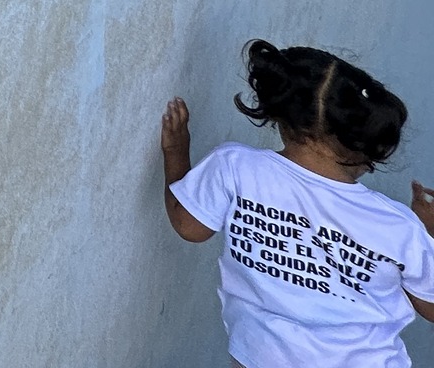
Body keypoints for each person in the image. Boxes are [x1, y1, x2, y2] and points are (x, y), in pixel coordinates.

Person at [163, 41, 434, 368]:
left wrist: (175, 153)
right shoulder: (399, 226)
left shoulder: (234, 167)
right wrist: (428, 233)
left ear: (281, 117)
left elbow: (189, 226)